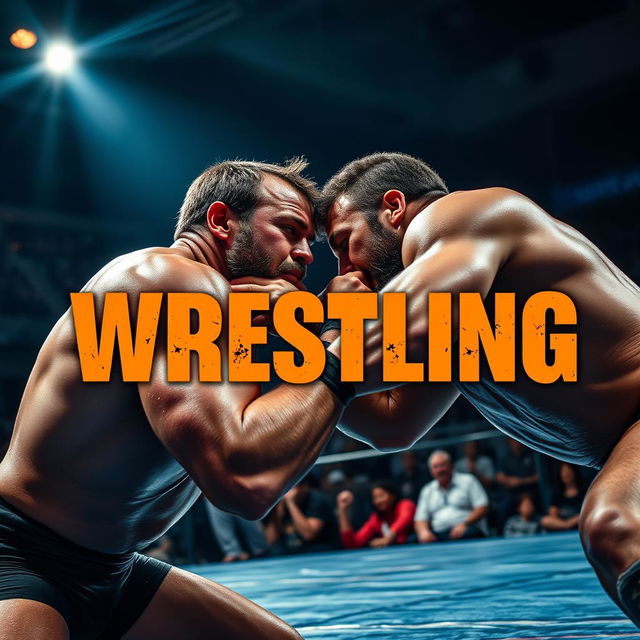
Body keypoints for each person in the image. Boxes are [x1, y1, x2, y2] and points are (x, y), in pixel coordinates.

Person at [0, 159, 351, 639]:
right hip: (16, 556)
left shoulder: (222, 309)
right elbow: (242, 479)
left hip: (114, 570)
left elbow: (384, 428)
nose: (305, 253)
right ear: (221, 221)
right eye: (289, 229)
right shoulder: (164, 278)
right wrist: (343, 349)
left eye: (309, 240)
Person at [317, 152, 640, 626]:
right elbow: (392, 422)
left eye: (346, 243)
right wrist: (306, 341)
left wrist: (323, 327)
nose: (346, 269)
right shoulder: (456, 309)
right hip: (627, 436)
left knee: (617, 525)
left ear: (394, 208)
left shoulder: (457, 217)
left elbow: (404, 332)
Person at [414, 450, 489, 542]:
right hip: (439, 534)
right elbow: (420, 518)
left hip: (466, 529)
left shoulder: (468, 481)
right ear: (431, 471)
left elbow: (482, 507)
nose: (440, 470)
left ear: (451, 465)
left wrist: (464, 524)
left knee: (471, 533)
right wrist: (423, 532)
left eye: (443, 465)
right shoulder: (427, 490)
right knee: (413, 539)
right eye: (435, 467)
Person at [337, 481, 415, 549]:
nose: (378, 501)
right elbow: (353, 544)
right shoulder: (376, 519)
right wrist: (343, 510)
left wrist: (388, 537)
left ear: (392, 496)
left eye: (381, 496)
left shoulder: (405, 505)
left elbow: (404, 519)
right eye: (375, 498)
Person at [540, 463, 585, 532]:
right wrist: (566, 524)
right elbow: (552, 515)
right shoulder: (558, 494)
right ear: (560, 475)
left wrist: (572, 522)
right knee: (545, 520)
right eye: (564, 472)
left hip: (580, 522)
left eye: (568, 471)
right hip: (562, 524)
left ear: (574, 472)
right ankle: (566, 527)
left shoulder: (584, 492)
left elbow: (587, 512)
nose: (566, 474)